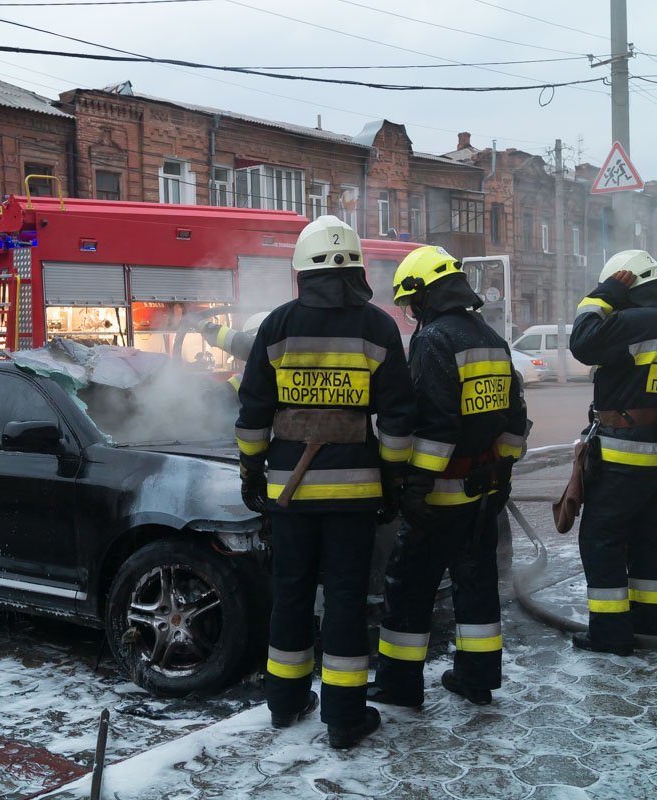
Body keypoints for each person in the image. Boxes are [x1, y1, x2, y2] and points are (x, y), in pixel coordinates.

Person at [235, 215, 414, 749]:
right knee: (345, 600)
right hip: (354, 497)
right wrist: (393, 478)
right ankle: (344, 717)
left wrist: (251, 470)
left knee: (290, 594)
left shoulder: (278, 325)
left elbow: (253, 409)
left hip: (290, 494)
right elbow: (397, 418)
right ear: (357, 267)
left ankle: (285, 702)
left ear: (301, 271)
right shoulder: (378, 327)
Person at [371, 246, 529, 709]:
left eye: (410, 301)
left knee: (408, 587)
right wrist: (501, 474)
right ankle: (477, 679)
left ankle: (400, 687)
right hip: (484, 492)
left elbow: (436, 425)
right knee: (476, 585)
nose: (410, 310)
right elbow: (515, 419)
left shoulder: (434, 339)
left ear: (423, 294)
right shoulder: (492, 340)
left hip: (440, 498)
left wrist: (415, 490)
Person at [569, 250, 657, 656]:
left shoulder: (631, 322)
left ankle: (610, 633)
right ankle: (652, 626)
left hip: (623, 457)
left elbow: (582, 344)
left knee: (602, 539)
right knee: (652, 539)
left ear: (627, 284)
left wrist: (603, 294)